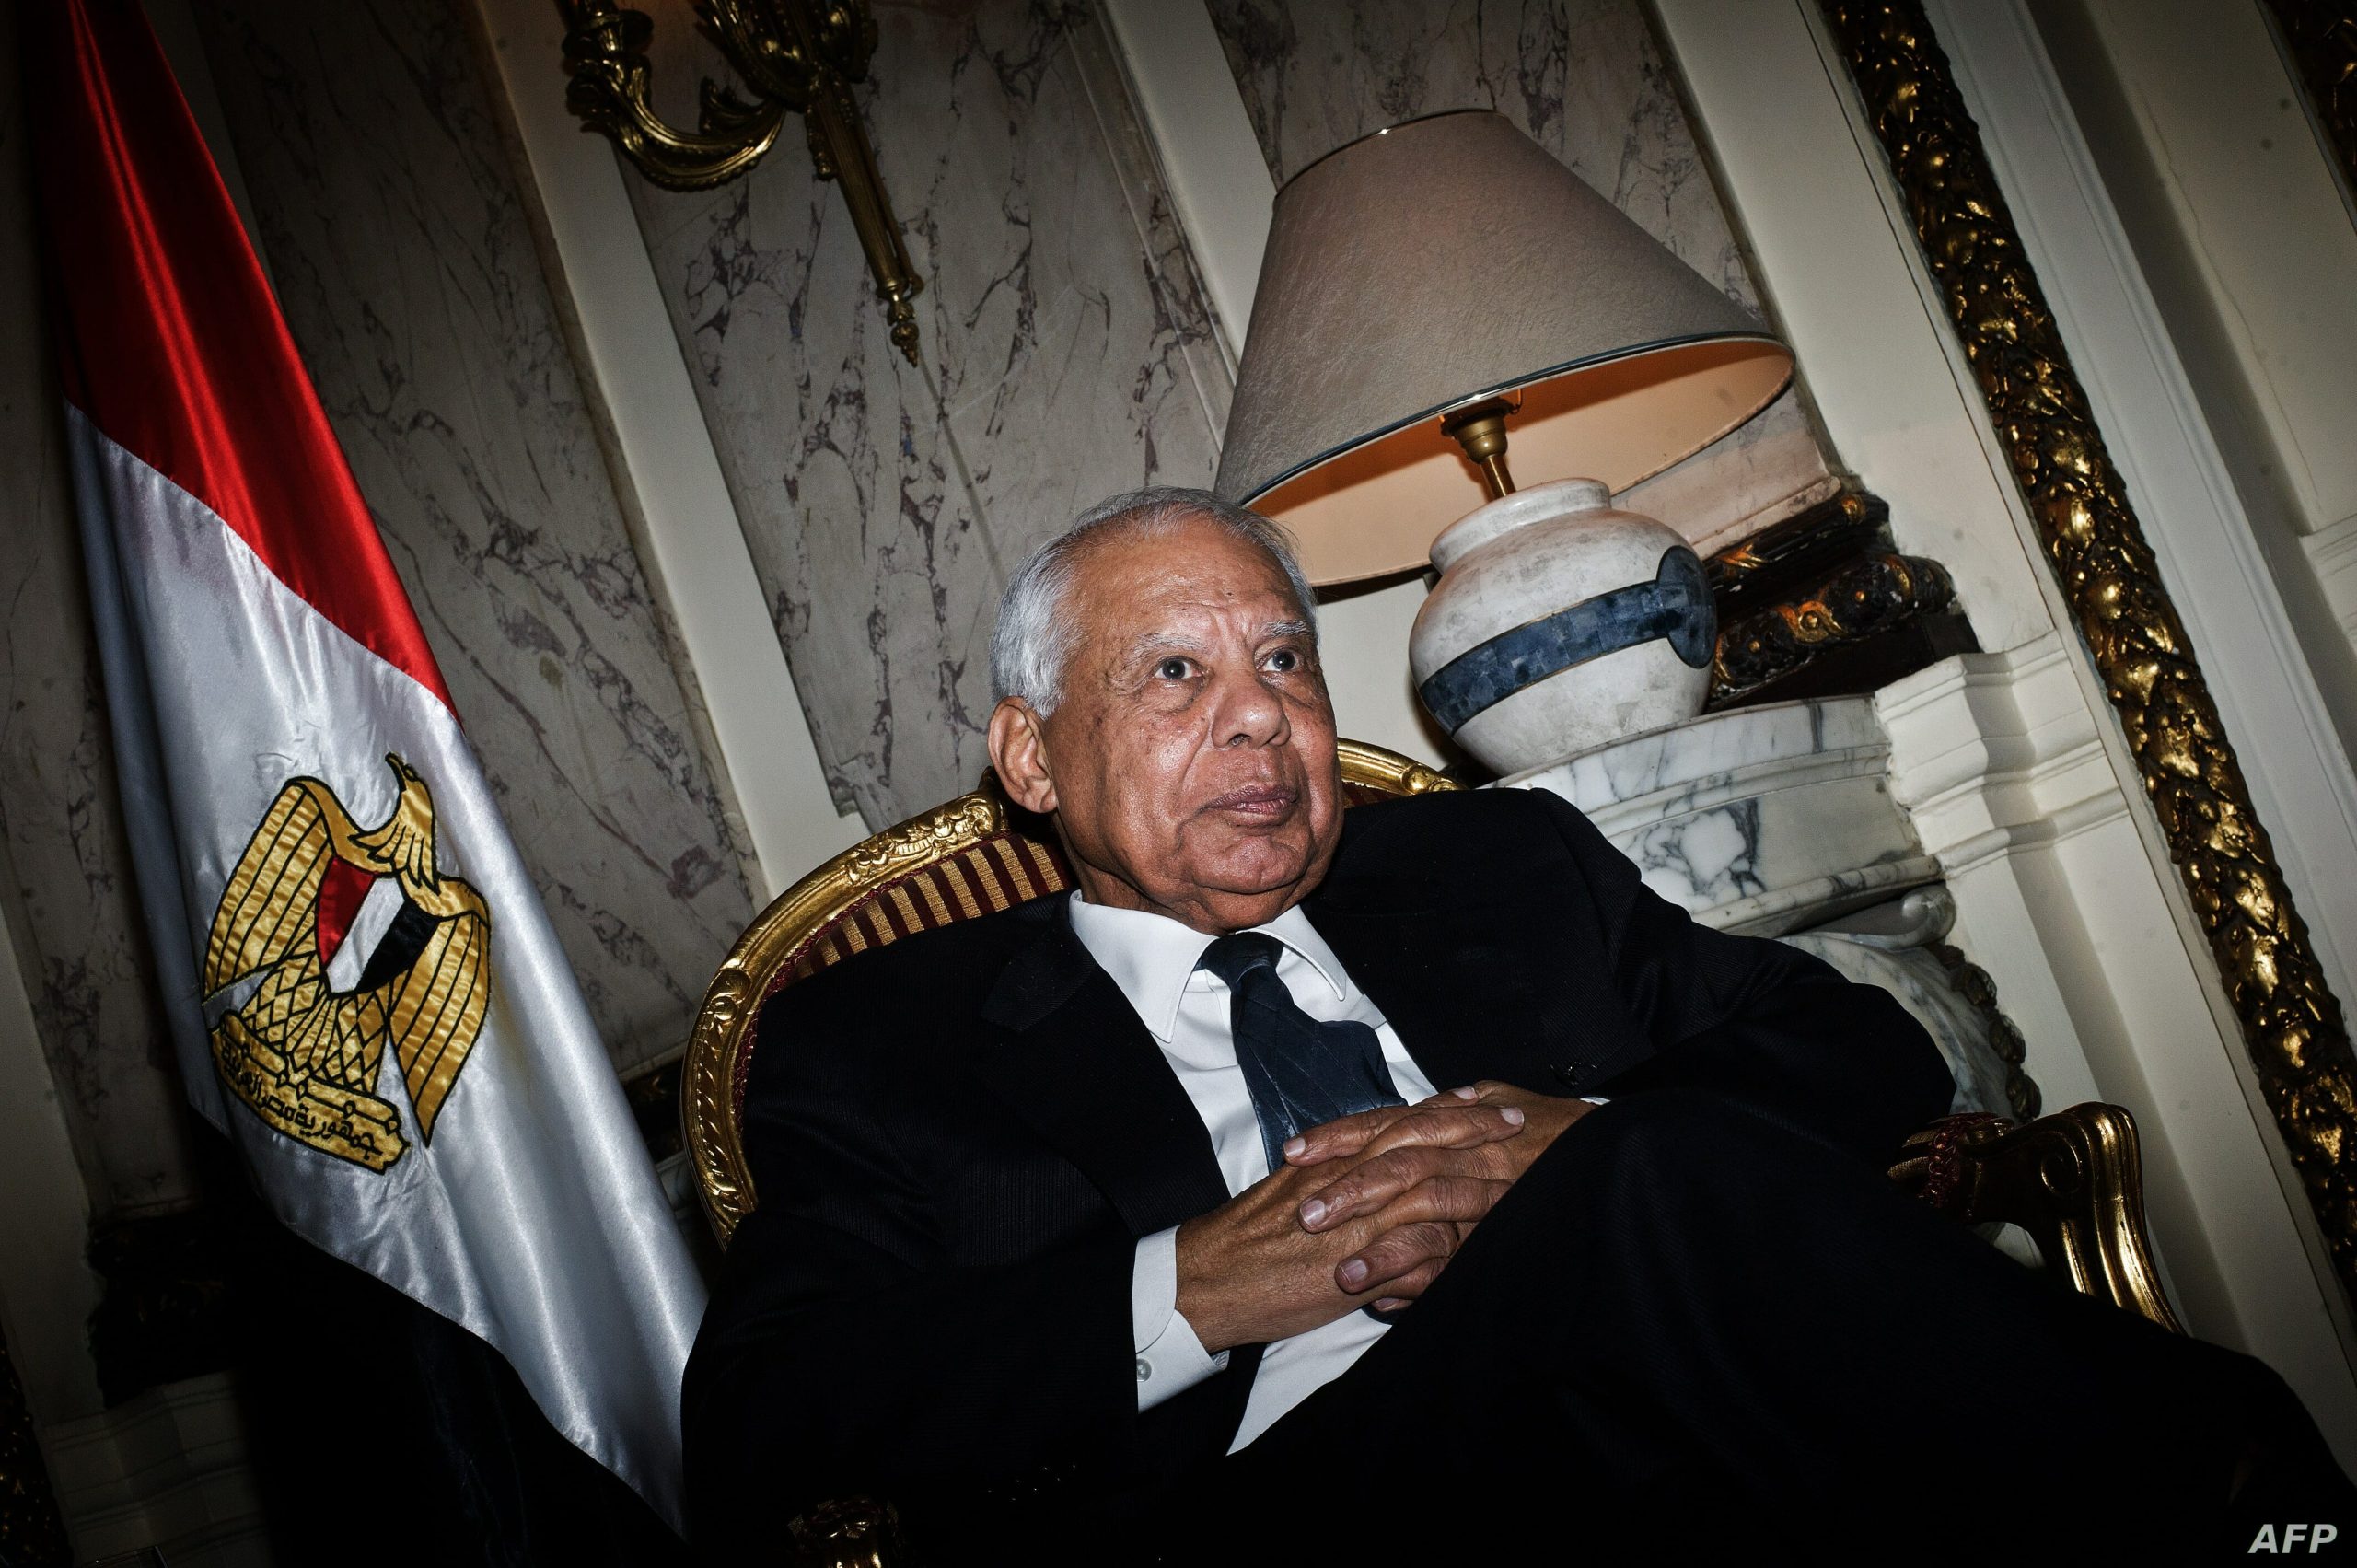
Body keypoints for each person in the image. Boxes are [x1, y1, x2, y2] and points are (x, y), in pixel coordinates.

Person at [685, 488, 2351, 1562]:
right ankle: (2252, 1505)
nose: (1261, 716)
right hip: (1273, 1507)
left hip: (1654, 1442)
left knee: (1646, 1191)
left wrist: (1577, 1150)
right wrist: (1189, 1289)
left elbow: (1859, 1043)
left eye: (1286, 661)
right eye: (1175, 675)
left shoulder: (1494, 869)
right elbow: (767, 1418)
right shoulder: (884, 1041)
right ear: (1032, 759)